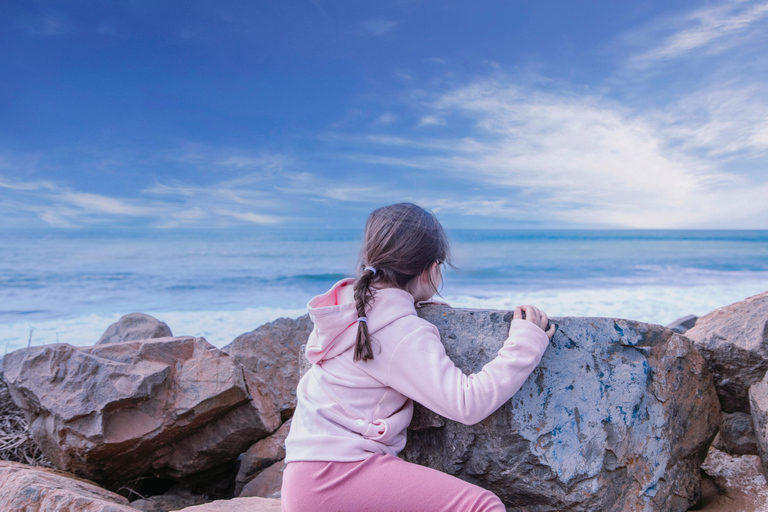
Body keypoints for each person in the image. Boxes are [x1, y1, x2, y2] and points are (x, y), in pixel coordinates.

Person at [281, 202, 555, 512]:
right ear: (431, 269)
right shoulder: (401, 331)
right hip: (338, 476)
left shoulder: (348, 311)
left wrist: (414, 304)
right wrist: (526, 342)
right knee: (481, 506)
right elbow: (467, 404)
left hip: (308, 476)